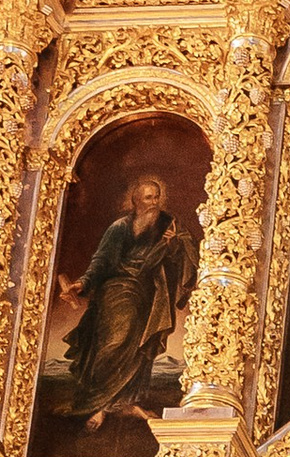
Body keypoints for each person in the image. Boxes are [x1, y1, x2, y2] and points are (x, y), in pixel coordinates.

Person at [57, 168, 197, 429]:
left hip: (150, 293)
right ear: (136, 202)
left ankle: (127, 402)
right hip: (118, 290)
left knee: (139, 348)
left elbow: (185, 254)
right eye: (147, 198)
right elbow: (101, 261)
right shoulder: (119, 228)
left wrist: (173, 245)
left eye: (156, 197)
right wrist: (82, 283)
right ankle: (99, 405)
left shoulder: (169, 224)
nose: (153, 202)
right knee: (115, 342)